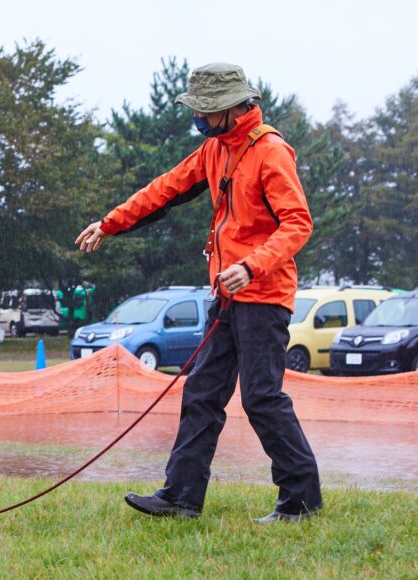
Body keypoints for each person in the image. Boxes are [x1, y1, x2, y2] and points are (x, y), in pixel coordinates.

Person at [75, 63, 322, 523]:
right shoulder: (215, 149)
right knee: (202, 393)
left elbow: (298, 223)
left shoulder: (271, 152)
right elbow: (162, 191)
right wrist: (109, 223)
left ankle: (301, 501)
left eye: (206, 112)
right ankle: (181, 498)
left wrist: (251, 266)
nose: (200, 119)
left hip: (264, 296)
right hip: (226, 297)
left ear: (232, 108)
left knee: (262, 398)